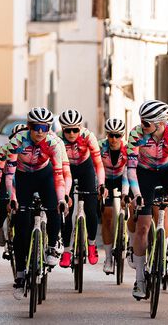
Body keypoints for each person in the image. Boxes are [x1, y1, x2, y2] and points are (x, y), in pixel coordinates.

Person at [126, 100, 168, 300]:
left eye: (146, 123)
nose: (142, 125)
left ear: (160, 123)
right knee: (143, 227)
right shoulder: (136, 134)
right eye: (141, 121)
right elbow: (131, 169)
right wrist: (137, 195)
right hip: (144, 172)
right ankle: (139, 280)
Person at [0, 107, 71, 287]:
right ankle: (21, 271)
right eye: (37, 127)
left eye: (44, 128)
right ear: (29, 127)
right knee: (21, 226)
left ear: (49, 129)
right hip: (23, 178)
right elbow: (10, 175)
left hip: (45, 176)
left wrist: (62, 198)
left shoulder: (53, 143)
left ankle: (53, 246)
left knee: (54, 208)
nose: (40, 132)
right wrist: (12, 197)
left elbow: (59, 174)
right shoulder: (18, 141)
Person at [56, 109, 105, 269]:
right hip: (66, 168)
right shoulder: (57, 138)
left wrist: (101, 185)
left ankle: (91, 244)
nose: (71, 133)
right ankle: (67, 251)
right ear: (62, 129)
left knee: (91, 210)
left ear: (80, 128)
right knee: (65, 211)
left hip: (85, 168)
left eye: (75, 130)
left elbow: (98, 164)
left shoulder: (88, 136)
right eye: (67, 130)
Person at [99, 117, 129, 274]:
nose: (114, 139)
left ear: (122, 136)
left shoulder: (128, 150)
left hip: (122, 179)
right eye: (111, 135)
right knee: (108, 215)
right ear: (107, 135)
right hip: (106, 180)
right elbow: (96, 169)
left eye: (117, 135)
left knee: (133, 206)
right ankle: (109, 257)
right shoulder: (100, 147)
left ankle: (130, 244)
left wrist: (125, 194)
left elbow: (128, 173)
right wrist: (100, 187)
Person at [0, 123, 26, 247]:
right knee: (4, 201)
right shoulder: (6, 149)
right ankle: (0, 227)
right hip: (7, 177)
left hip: (22, 178)